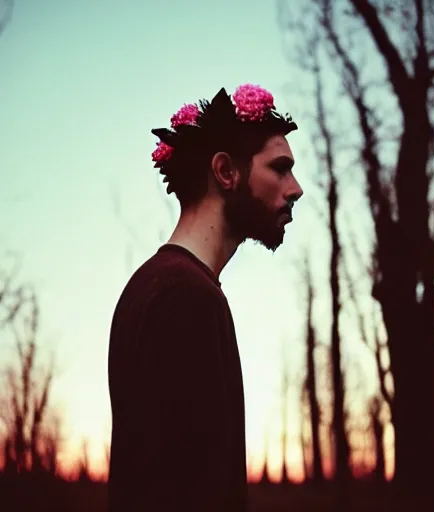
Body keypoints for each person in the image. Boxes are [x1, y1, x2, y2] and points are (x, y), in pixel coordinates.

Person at [107, 84, 303, 511]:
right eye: (281, 168)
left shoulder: (153, 285)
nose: (296, 188)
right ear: (226, 172)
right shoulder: (185, 298)